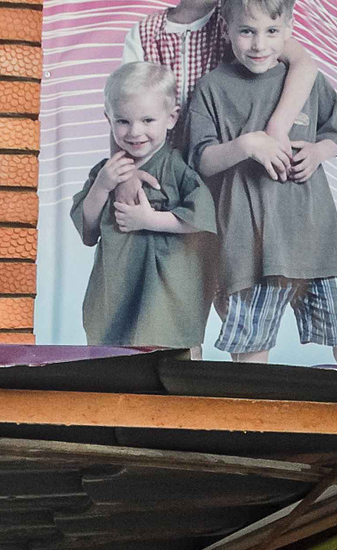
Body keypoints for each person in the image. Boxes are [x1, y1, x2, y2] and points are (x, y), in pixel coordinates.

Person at [185, 0, 337, 367]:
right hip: (249, 245)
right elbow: (202, 159)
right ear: (226, 31)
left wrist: (317, 152)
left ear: (289, 29)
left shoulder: (309, 82)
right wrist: (246, 146)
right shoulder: (213, 87)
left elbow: (335, 135)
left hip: (317, 238)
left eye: (271, 31)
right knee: (252, 347)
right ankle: (251, 406)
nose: (259, 44)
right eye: (246, 31)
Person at [71, 62, 218, 347]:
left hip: (165, 292)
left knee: (171, 357)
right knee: (113, 357)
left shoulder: (178, 169)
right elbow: (88, 229)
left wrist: (150, 221)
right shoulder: (105, 171)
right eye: (123, 121)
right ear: (108, 119)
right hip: (115, 290)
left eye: (148, 120)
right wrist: (102, 186)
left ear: (171, 118)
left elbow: (200, 219)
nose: (135, 132)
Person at [122, 0, 319, 150]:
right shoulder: (144, 32)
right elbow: (122, 104)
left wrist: (277, 127)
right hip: (161, 159)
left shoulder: (241, 14)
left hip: (220, 154)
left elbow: (303, 64)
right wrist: (127, 172)